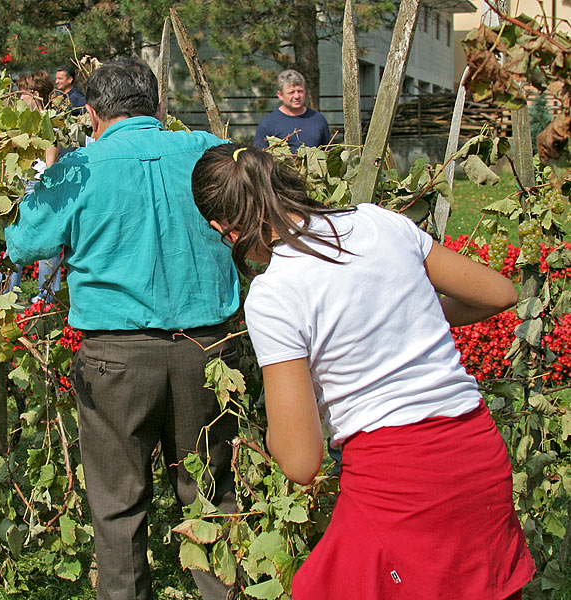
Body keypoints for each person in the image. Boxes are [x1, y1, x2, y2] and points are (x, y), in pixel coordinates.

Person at [191, 144, 536, 599]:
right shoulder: (379, 222)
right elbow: (497, 292)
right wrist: (404, 314)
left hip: (399, 482)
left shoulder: (274, 294)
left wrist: (271, 438)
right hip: (476, 455)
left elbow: (300, 461)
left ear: (223, 229)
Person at [6, 57, 240, 600]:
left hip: (115, 357)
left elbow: (23, 245)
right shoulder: (211, 151)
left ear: (91, 114)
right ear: (159, 107)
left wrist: (43, 174)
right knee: (211, 494)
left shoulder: (77, 167)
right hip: (209, 349)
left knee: (117, 504)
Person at [5, 70, 61, 300]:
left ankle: (45, 297)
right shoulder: (24, 122)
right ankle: (8, 295)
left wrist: (44, 184)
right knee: (14, 240)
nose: (19, 99)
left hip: (37, 186)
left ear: (35, 94)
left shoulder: (48, 122)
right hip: (20, 184)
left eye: (22, 94)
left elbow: (51, 162)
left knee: (45, 243)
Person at [253, 70, 331, 153]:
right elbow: (259, 159)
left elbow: (328, 152)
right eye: (291, 92)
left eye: (300, 91)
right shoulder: (268, 124)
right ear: (280, 95)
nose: (297, 96)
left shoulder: (318, 119)